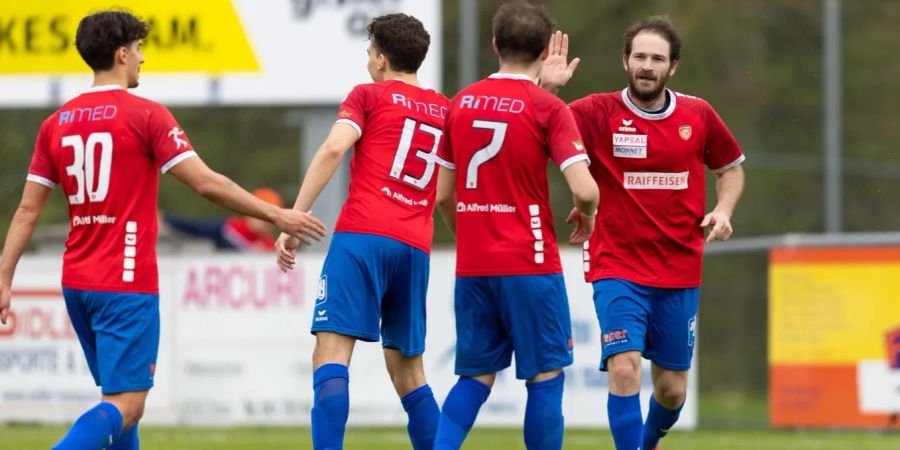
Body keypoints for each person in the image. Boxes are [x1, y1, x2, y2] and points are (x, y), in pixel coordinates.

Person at [0, 11, 325, 450]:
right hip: (124, 280)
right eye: (137, 49)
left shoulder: (55, 124)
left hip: (78, 281)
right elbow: (208, 183)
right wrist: (278, 216)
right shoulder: (146, 115)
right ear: (121, 54)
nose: (142, 58)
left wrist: (4, 278)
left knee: (119, 405)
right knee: (128, 405)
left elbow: (25, 211)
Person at [540, 15, 746, 450]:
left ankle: (647, 441)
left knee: (671, 389)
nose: (647, 66)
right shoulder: (595, 112)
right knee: (625, 368)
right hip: (617, 262)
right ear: (625, 61)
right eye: (639, 57)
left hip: (679, 268)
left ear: (673, 67)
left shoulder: (698, 114)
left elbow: (730, 168)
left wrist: (723, 209)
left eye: (657, 58)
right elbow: (537, 129)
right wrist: (548, 91)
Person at [274, 13, 448, 450]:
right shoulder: (445, 110)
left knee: (331, 356)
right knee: (410, 372)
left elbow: (334, 146)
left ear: (383, 59)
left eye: (370, 52)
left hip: (364, 236)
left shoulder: (369, 95)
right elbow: (447, 187)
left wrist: (295, 218)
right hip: (414, 246)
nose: (368, 60)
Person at [432, 3, 599, 449]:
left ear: (494, 45)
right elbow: (585, 189)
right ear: (546, 50)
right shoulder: (548, 108)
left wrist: (470, 237)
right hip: (531, 263)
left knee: (474, 377)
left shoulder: (459, 104)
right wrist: (589, 215)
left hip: (474, 266)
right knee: (545, 375)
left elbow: (443, 195)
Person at [161, 187, 285, 251]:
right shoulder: (229, 229)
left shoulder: (271, 245)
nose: (267, 221)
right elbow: (194, 227)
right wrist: (167, 220)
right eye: (264, 215)